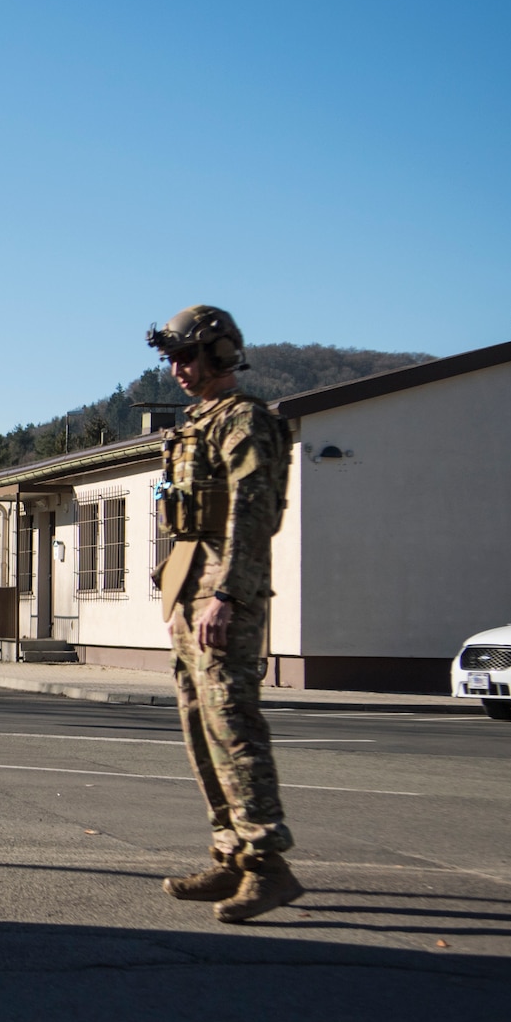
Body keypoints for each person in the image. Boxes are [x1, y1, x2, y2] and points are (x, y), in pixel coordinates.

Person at [145, 305, 302, 923]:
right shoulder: (194, 425)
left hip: (223, 598)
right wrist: (177, 592)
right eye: (174, 360)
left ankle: (268, 864)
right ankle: (231, 851)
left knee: (234, 726)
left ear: (221, 354)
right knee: (199, 728)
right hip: (191, 596)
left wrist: (228, 596)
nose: (180, 370)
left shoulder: (243, 420)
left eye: (188, 356)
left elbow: (252, 514)